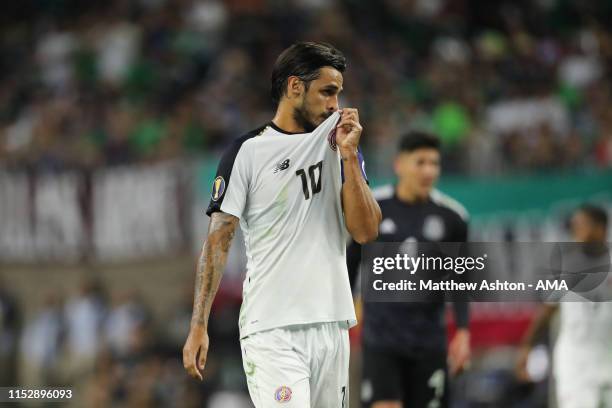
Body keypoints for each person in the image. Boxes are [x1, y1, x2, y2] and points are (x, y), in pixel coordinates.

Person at [182, 41, 381, 407]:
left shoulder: (341, 144)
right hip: (272, 328)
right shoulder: (247, 152)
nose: (335, 104)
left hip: (331, 324)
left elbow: (366, 231)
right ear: (294, 87)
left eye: (337, 93)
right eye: (327, 92)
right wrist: (199, 324)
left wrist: (350, 158)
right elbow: (218, 242)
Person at [348, 131, 471, 408]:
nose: (429, 171)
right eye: (421, 162)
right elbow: (351, 264)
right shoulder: (374, 207)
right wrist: (344, 313)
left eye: (434, 163)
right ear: (399, 165)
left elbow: (460, 281)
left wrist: (463, 333)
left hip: (429, 341)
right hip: (381, 338)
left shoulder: (453, 217)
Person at [516, 204, 612, 408]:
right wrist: (527, 347)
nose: (575, 231)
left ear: (600, 228)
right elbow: (547, 310)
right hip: (576, 364)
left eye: (581, 225)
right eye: (574, 226)